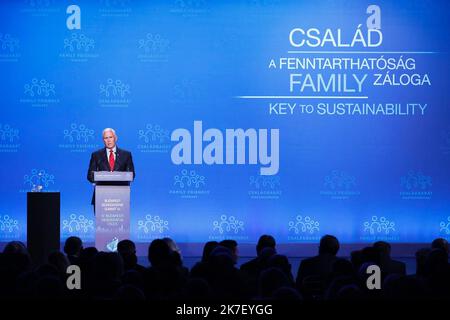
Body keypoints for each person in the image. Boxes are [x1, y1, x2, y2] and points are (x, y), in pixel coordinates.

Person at [87, 128, 135, 209]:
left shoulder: (126, 155)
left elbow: (131, 175)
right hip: (101, 197)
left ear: (115, 138)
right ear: (103, 140)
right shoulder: (96, 155)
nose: (108, 140)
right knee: (101, 221)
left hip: (121, 197)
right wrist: (102, 176)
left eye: (110, 137)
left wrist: (117, 177)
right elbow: (89, 176)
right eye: (106, 138)